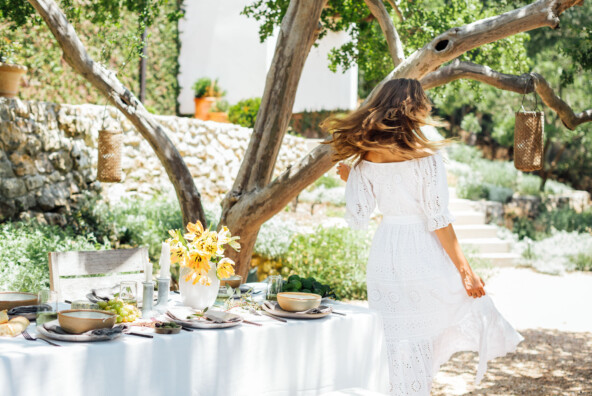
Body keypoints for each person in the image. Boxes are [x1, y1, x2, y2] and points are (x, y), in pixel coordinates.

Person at [322, 78, 524, 395]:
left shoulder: (367, 157)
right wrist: (465, 271)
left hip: (386, 250)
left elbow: (359, 212)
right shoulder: (426, 154)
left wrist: (352, 177)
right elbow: (438, 219)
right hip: (420, 249)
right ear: (414, 108)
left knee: (393, 336)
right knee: (422, 332)